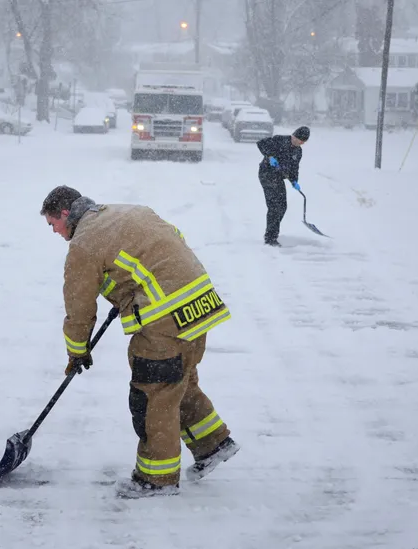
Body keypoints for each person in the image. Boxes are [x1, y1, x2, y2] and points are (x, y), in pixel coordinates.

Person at [40, 185, 240, 499]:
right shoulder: (131, 211)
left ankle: (155, 480)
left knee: (153, 395)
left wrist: (77, 350)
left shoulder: (84, 243)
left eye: (53, 224)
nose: (55, 231)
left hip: (164, 318)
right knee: (177, 379)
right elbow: (170, 241)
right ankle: (213, 443)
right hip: (201, 304)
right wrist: (130, 287)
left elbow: (78, 306)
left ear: (66, 213)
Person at [256, 126, 309, 246]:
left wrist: (294, 180)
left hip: (278, 177)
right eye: (299, 140)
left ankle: (272, 232)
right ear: (294, 135)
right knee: (274, 206)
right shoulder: (279, 140)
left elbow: (294, 168)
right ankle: (270, 238)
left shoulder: (298, 151)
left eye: (303, 142)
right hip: (267, 174)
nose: (300, 143)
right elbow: (261, 144)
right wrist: (269, 157)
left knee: (282, 206)